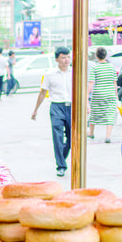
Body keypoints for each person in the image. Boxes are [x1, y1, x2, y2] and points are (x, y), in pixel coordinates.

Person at [31, 47, 72, 177]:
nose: (66, 60)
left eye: (68, 57)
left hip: (72, 107)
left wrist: (86, 105)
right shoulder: (50, 74)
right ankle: (61, 165)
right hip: (56, 107)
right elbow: (42, 92)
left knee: (72, 139)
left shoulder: (75, 73)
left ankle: (62, 157)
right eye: (63, 58)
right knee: (58, 137)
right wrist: (35, 110)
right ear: (57, 59)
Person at [87, 47, 118, 143]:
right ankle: (107, 136)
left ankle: (91, 133)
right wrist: (116, 95)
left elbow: (91, 82)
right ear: (105, 56)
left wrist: (86, 94)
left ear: (96, 56)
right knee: (110, 114)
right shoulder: (111, 67)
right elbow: (114, 83)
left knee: (94, 113)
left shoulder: (95, 67)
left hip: (98, 94)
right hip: (110, 94)